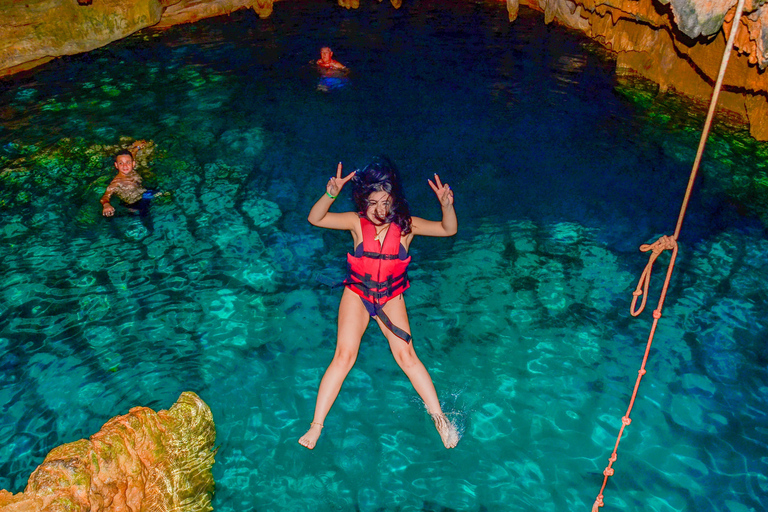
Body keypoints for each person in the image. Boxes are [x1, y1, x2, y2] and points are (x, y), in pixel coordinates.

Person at [299, 156, 460, 450]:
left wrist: (446, 206)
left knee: (407, 358)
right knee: (344, 357)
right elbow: (316, 218)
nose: (379, 210)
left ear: (394, 200)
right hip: (357, 295)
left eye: (386, 202)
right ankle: (316, 425)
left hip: (390, 297)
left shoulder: (408, 227)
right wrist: (330, 194)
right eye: (372, 203)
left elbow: (448, 230)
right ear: (363, 201)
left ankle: (440, 419)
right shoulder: (355, 223)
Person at [99, 149, 158, 217]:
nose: (125, 166)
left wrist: (137, 148)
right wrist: (106, 205)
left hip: (144, 194)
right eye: (121, 163)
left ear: (133, 164)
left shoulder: (133, 171)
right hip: (133, 204)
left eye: (128, 162)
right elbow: (105, 197)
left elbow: (132, 154)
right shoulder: (116, 183)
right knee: (146, 217)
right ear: (116, 165)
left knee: (163, 192)